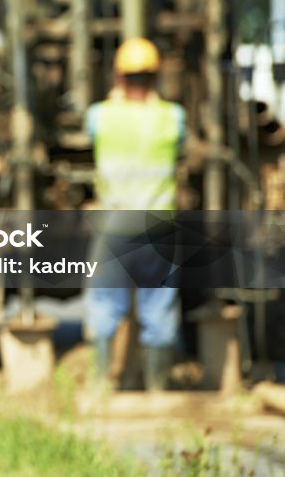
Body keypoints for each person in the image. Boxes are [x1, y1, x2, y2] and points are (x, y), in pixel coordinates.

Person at [83, 37, 186, 392]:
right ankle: (157, 387)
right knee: (158, 304)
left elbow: (91, 129)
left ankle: (100, 386)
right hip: (160, 224)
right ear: (156, 77)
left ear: (118, 76)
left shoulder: (101, 115)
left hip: (115, 224)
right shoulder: (173, 117)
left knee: (104, 302)